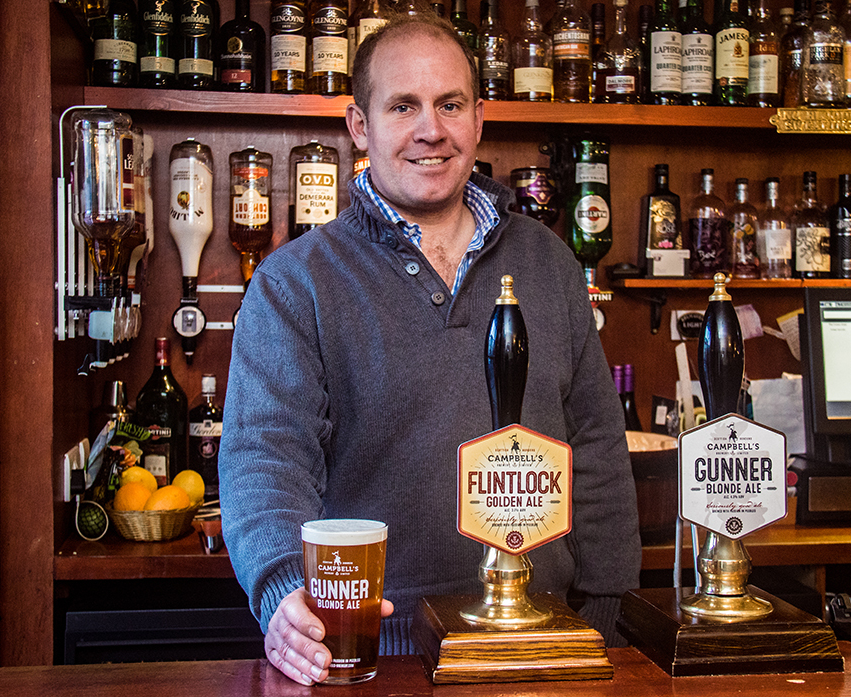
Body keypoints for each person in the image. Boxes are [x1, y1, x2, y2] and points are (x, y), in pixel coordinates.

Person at [219, 12, 641, 687]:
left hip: (545, 640)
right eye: (403, 106)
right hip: (372, 652)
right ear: (360, 126)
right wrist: (282, 590)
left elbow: (595, 446)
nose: (430, 130)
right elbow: (264, 460)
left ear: (479, 118)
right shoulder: (295, 283)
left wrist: (609, 608)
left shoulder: (549, 263)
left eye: (449, 104)